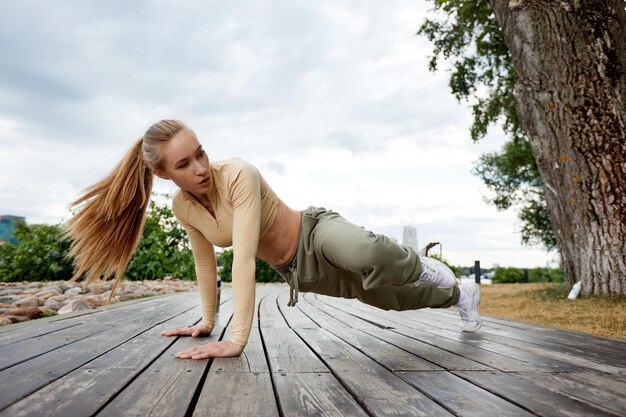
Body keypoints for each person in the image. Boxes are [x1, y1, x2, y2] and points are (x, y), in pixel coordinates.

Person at [65, 119, 481, 360]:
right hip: (300, 272)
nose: (201, 167)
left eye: (201, 153)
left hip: (314, 233)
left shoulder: (238, 175)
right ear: (163, 174)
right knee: (386, 298)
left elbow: (242, 260)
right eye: (185, 163)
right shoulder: (183, 208)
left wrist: (237, 340)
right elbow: (205, 264)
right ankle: (459, 297)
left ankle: (421, 264)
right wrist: (207, 323)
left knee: (364, 251)